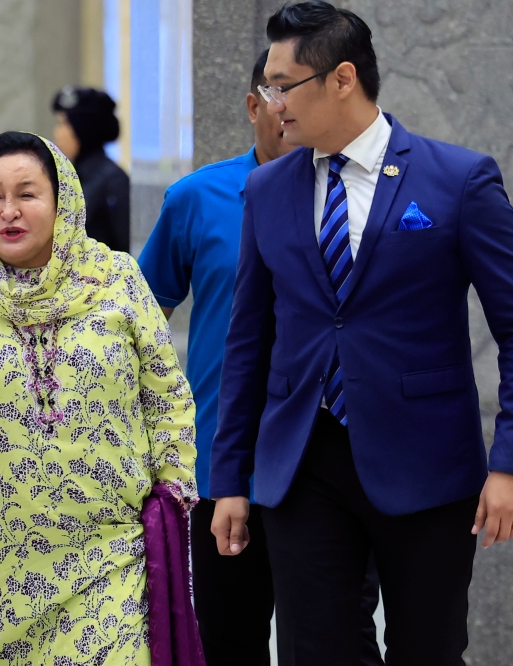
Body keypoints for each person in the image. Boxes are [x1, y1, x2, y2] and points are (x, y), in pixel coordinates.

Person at [210, 3, 513, 664]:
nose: (270, 103)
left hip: (428, 467)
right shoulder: (266, 190)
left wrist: (508, 462)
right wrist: (229, 477)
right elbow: (247, 345)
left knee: (426, 651)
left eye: (282, 85)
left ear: (342, 78)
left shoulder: (459, 181)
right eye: (268, 86)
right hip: (303, 463)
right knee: (316, 651)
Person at [0, 131, 200, 664]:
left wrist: (172, 489)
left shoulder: (117, 279)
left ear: (63, 201)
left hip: (109, 551)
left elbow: (166, 393)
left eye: (27, 194)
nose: (9, 211)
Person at [140, 50, 383, 666]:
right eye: (278, 94)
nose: (291, 110)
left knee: (341, 637)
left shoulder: (359, 199)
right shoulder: (196, 199)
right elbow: (136, 323)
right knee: (227, 639)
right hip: (223, 465)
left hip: (326, 464)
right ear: (254, 106)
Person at [51, 86, 131, 252]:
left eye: (64, 124)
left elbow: (122, 246)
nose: (57, 133)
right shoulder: (65, 175)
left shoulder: (113, 180)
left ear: (83, 129)